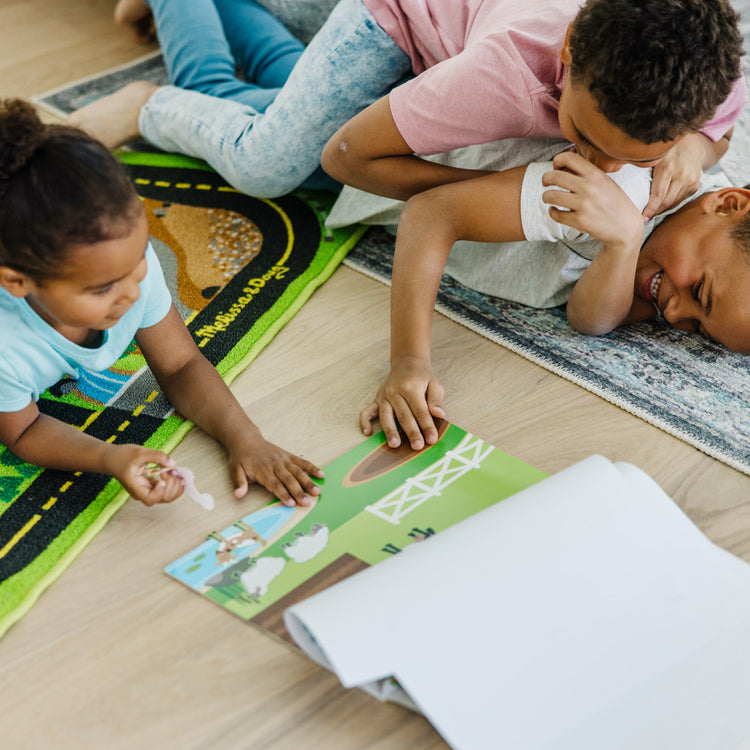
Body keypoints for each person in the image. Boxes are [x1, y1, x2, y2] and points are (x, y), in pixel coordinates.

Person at [70, 0, 745, 219]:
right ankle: (146, 105)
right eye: (584, 137)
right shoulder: (501, 74)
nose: (599, 166)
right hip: (395, 21)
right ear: (568, 56)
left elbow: (721, 125)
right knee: (272, 162)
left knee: (294, 113)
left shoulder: (705, 68)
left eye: (633, 158)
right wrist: (484, 192)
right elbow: (347, 154)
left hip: (462, 30)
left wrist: (696, 150)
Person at [0, 99, 324, 507]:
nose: (134, 293)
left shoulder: (127, 269)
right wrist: (109, 456)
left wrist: (246, 438)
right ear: (16, 282)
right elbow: (24, 431)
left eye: (137, 261)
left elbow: (180, 363)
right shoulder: (5, 347)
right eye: (102, 289)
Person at [358, 147, 750, 451]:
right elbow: (429, 212)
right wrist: (409, 362)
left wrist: (624, 243)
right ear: (726, 204)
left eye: (698, 328)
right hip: (373, 177)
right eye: (699, 291)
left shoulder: (661, 260)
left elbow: (592, 319)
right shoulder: (615, 190)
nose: (674, 311)